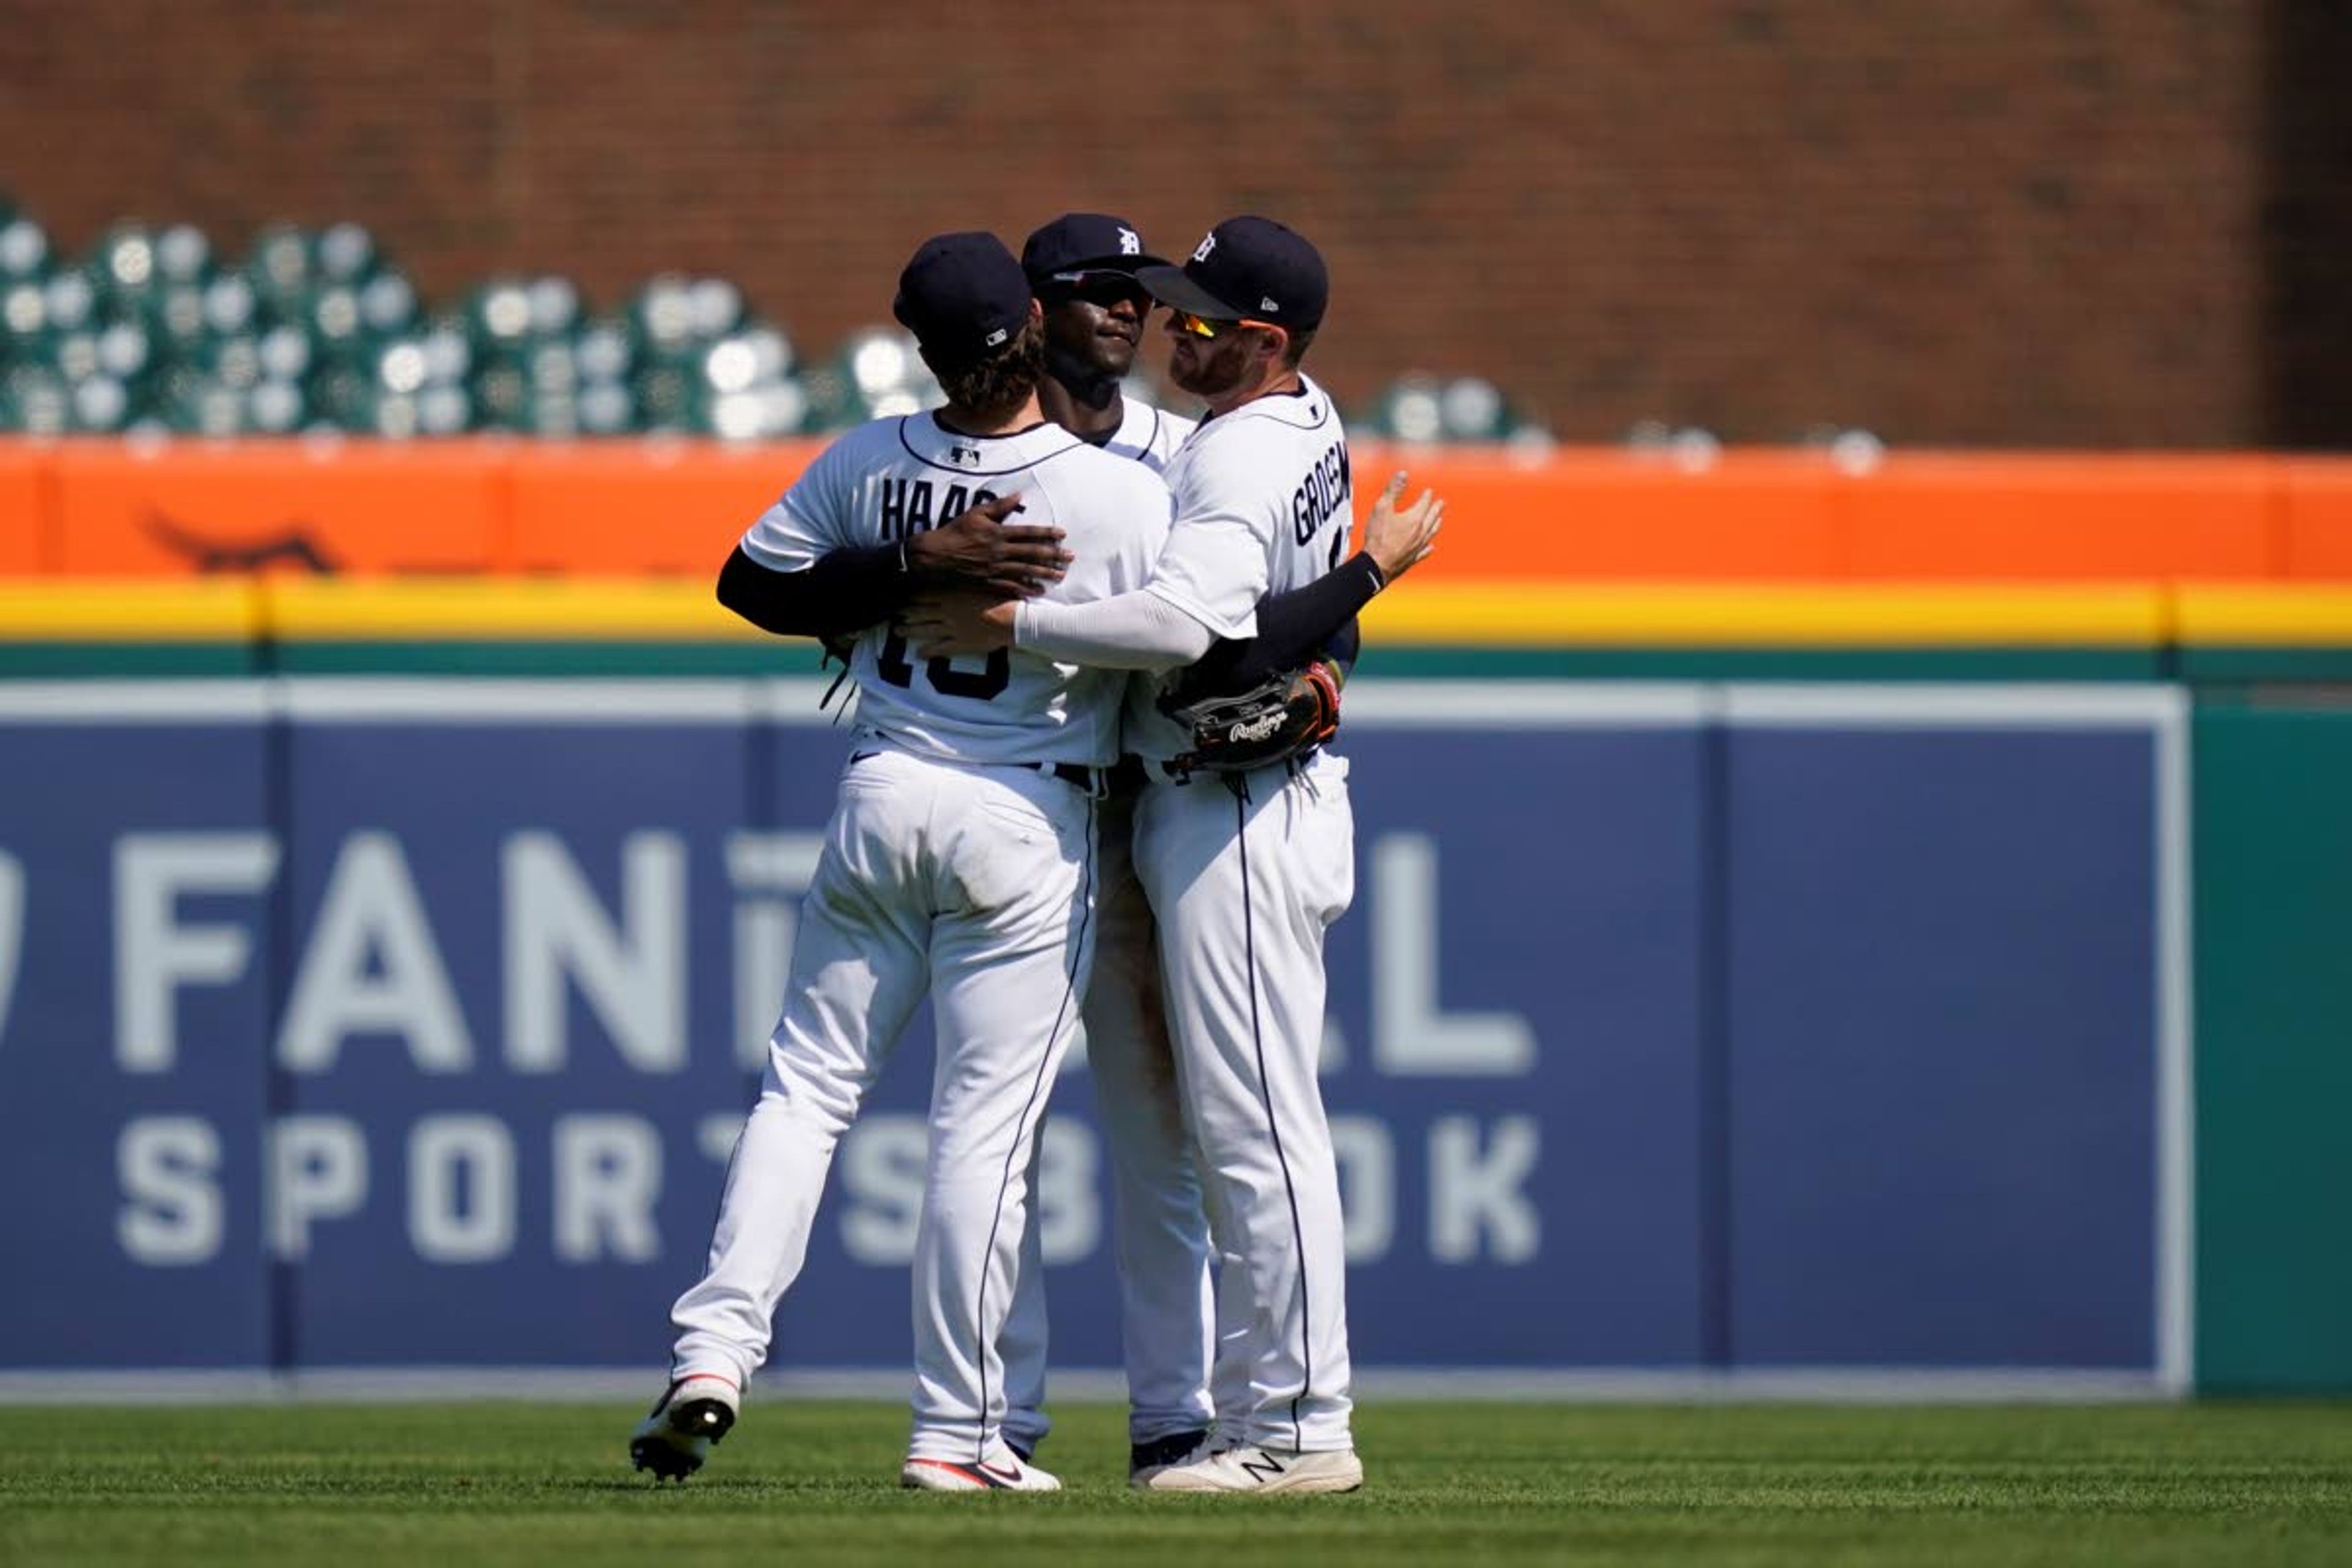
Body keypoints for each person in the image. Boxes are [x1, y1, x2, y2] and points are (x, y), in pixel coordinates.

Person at [903, 215, 1444, 1494]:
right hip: (1244, 796)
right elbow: (1279, 639)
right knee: (1237, 1126)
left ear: (1266, 342)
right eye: (1172, 308)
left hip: (1237, 810)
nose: (1171, 329)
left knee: (1258, 1128)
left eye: (1201, 321)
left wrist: (1018, 620)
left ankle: (1301, 1427)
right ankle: (1258, 1415)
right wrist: (1354, 604)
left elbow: (1198, 633)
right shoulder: (1309, 416)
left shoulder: (1242, 455)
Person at [627, 230, 1172, 1493]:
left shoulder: (868, 459)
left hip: (882, 791)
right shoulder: (1112, 492)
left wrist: (896, 564)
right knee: (980, 1127)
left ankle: (711, 1352)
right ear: (1033, 328)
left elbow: (749, 587)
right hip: (1023, 815)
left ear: (920, 349)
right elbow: (1195, 637)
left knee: (803, 1090)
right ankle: (963, 1430)